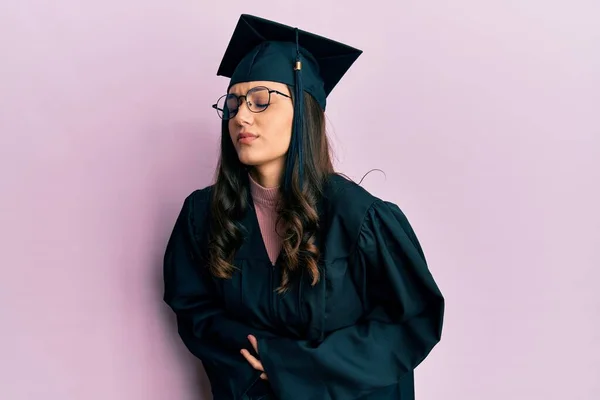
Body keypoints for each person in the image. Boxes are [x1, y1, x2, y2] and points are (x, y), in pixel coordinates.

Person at [163, 14, 445, 400]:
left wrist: (286, 363)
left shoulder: (360, 218)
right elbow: (195, 310)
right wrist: (253, 365)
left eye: (261, 100)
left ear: (304, 110)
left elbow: (408, 324)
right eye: (233, 103)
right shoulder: (203, 215)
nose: (241, 115)